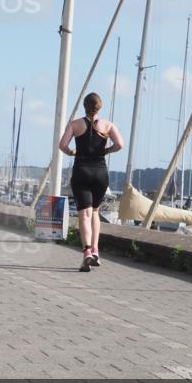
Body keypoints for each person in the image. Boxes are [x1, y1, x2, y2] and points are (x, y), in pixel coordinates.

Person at [59, 93, 124, 272]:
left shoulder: (75, 125)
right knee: (95, 211)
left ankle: (86, 252)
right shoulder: (108, 125)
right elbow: (120, 144)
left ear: (84, 106)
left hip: (82, 171)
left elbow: (62, 145)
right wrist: (107, 150)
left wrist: (72, 153)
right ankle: (95, 250)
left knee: (84, 214)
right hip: (100, 173)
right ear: (99, 107)